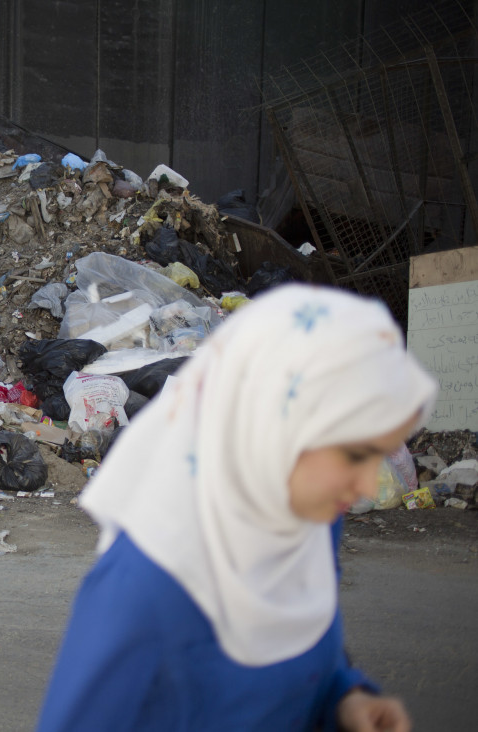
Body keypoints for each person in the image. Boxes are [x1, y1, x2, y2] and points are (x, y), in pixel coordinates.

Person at [36, 285, 436, 731]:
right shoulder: (148, 590)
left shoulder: (309, 524)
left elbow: (305, 645)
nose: (366, 485)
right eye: (353, 456)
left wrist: (346, 698)